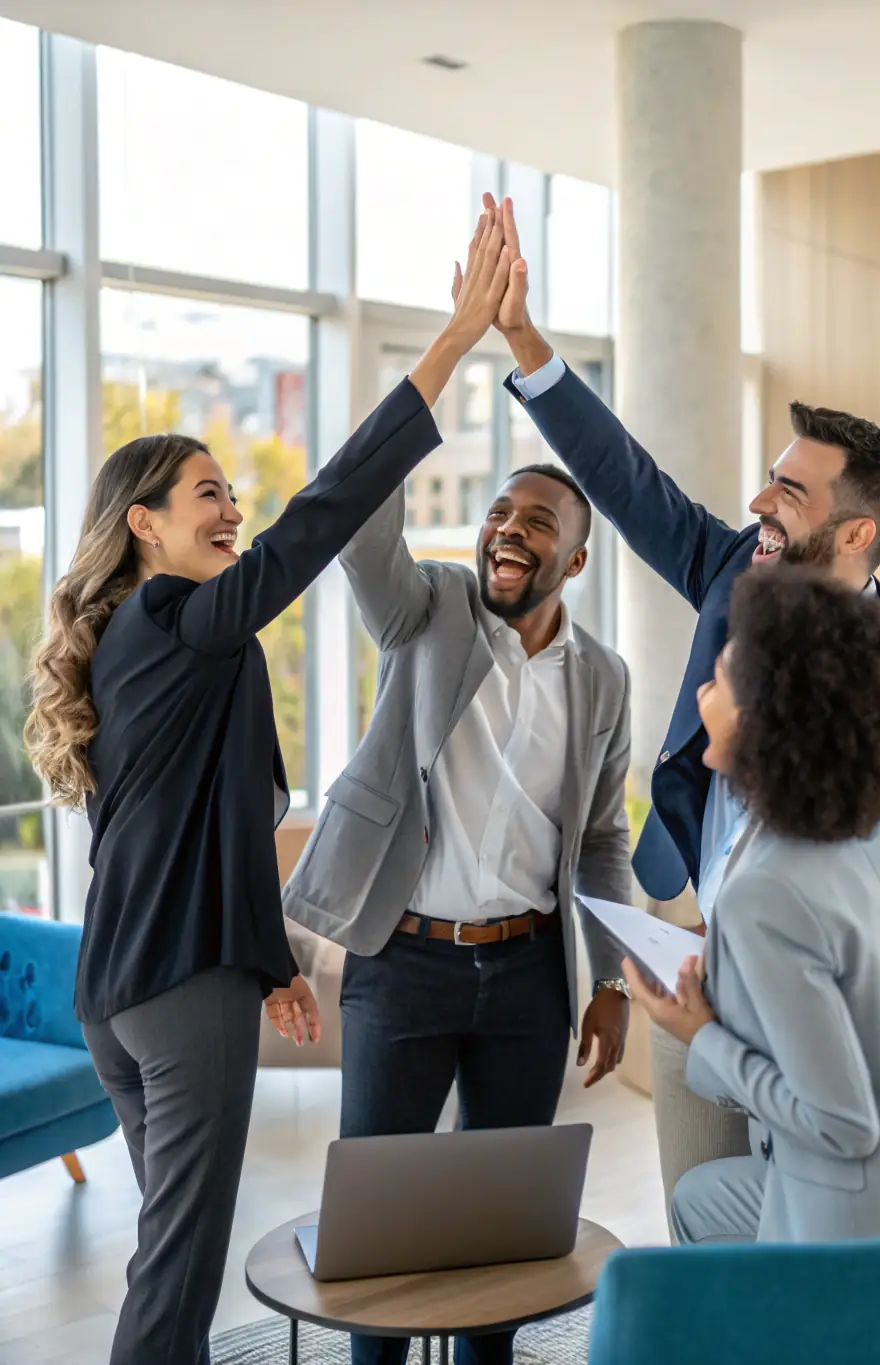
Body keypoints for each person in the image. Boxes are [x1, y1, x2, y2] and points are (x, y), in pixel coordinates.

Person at [22, 209, 513, 1365]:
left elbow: (214, 834)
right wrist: (450, 346)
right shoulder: (169, 619)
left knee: (165, 1254)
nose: (231, 503)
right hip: (176, 994)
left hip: (122, 993)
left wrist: (277, 968)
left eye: (228, 485)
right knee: (181, 1267)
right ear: (142, 527)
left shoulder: (158, 646)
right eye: (205, 491)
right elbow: (322, 516)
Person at [476, 192, 880, 1203]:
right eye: (767, 478)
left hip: (824, 1015)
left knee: (806, 1234)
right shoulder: (729, 569)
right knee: (701, 1207)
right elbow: (627, 481)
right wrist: (524, 339)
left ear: (852, 537)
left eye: (788, 494)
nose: (757, 502)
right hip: (695, 954)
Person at [283, 232, 633, 1365]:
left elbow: (599, 839)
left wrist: (611, 979)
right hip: (405, 962)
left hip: (530, 972)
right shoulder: (424, 612)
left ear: (575, 558)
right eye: (497, 515)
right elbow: (353, 511)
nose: (507, 531)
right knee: (378, 1232)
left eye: (537, 521)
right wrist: (455, 342)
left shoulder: (603, 677)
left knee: (501, 1237)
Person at [624, 570, 880, 1244]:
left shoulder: (762, 891)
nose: (701, 693)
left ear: (769, 718)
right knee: (698, 1199)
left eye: (721, 681)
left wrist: (698, 1031)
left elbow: (842, 1124)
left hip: (851, 1230)